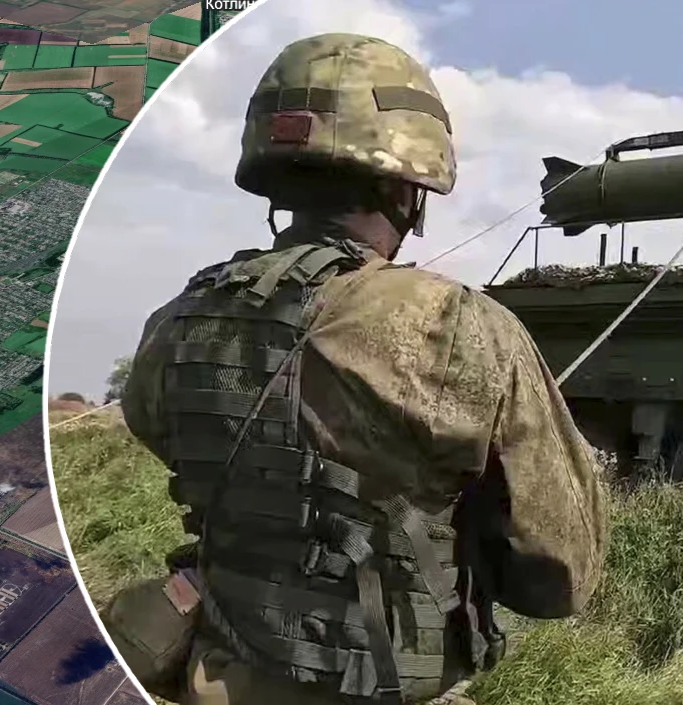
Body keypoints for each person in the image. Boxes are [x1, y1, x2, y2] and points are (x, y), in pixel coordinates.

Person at [116, 33, 608, 705]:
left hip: (215, 677)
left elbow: (157, 429)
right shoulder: (461, 325)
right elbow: (560, 578)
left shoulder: (177, 318)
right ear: (409, 185)